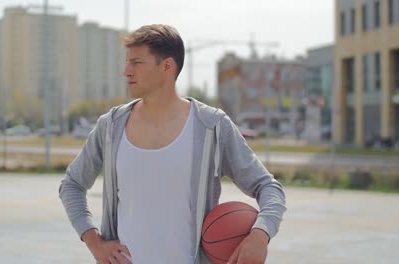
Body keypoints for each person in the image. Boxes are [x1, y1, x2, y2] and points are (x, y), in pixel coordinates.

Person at [59, 24, 286, 264]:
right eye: (127, 62)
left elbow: (269, 187)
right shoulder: (111, 127)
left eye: (136, 63)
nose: (126, 71)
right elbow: (71, 185)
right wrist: (95, 243)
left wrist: (260, 234)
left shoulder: (211, 127)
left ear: (167, 66)